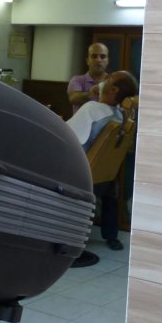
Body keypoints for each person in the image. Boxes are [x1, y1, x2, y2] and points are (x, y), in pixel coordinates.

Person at [66, 71, 138, 254]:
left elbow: (67, 139)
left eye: (109, 79)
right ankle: (111, 236)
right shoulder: (120, 118)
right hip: (103, 179)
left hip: (77, 171)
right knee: (111, 188)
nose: (104, 81)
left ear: (113, 90)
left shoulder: (91, 109)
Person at [67, 43, 110, 116]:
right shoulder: (77, 80)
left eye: (102, 56)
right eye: (94, 56)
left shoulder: (114, 82)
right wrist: (91, 94)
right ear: (87, 61)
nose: (98, 60)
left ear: (107, 61)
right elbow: (73, 98)